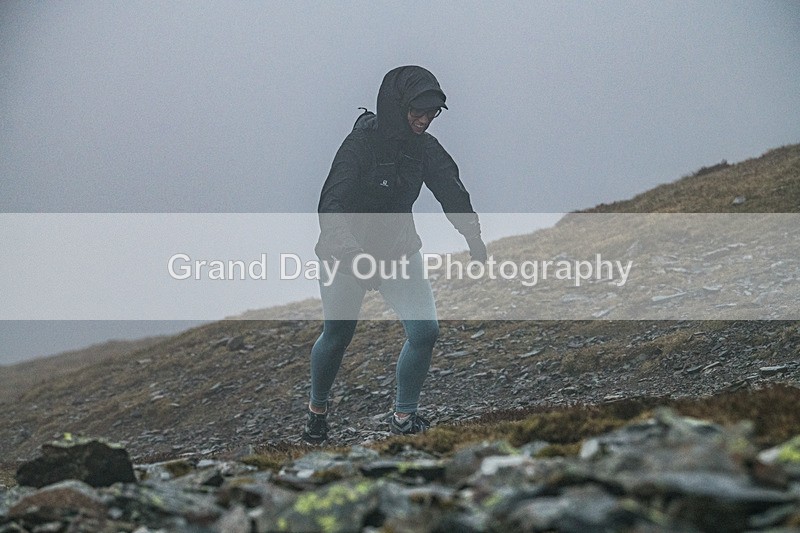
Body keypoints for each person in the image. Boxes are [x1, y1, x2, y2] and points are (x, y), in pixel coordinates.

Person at [303, 65, 487, 443]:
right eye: (417, 112)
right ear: (396, 106)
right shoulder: (358, 147)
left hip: (398, 252)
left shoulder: (424, 148)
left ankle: (404, 417)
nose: (424, 120)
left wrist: (472, 234)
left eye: (431, 113)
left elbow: (450, 189)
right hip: (344, 257)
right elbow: (330, 206)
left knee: (425, 332)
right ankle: (316, 413)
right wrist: (353, 256)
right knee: (337, 335)